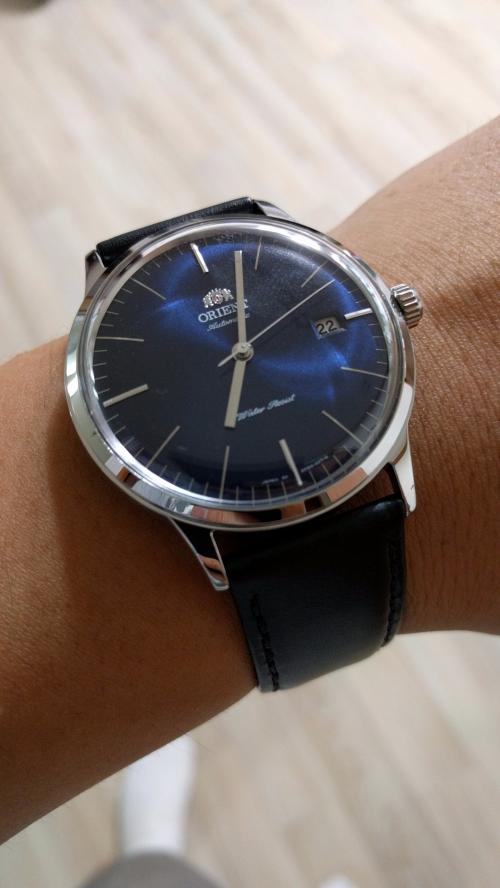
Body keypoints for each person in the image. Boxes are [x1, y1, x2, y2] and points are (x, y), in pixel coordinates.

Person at [0, 119, 498, 885]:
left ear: (399, 306)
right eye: (235, 347)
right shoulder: (112, 389)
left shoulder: (380, 352)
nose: (240, 350)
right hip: (219, 515)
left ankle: (150, 853)